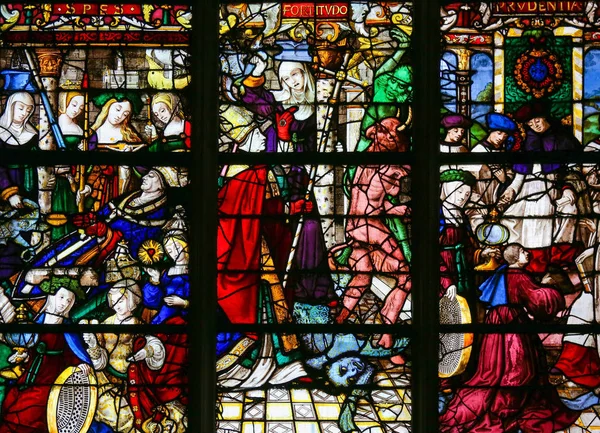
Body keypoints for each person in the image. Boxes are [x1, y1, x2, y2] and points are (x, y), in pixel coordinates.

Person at [439, 244, 579, 432]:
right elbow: (537, 301)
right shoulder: (518, 276)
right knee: (519, 369)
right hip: (512, 324)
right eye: (522, 252)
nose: (527, 253)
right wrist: (551, 289)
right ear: (514, 258)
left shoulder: (502, 272)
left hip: (495, 323)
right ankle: (511, 405)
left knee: (492, 369)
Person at [12, 169, 174, 299]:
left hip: (105, 255)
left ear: (161, 186)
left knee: (76, 272)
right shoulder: (130, 198)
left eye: (151, 176)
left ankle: (39, 294)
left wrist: (107, 233)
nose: (145, 177)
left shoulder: (157, 216)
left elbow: (139, 243)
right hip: (86, 238)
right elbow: (104, 213)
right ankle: (25, 288)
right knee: (54, 256)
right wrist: (90, 219)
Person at [0, 276, 101, 433]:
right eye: (61, 297)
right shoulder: (36, 323)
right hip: (30, 376)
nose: (64, 303)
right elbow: (28, 349)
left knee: (29, 411)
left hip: (52, 383)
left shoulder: (67, 332)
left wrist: (80, 364)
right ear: (51, 297)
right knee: (10, 401)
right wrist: (23, 356)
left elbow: (72, 353)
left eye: (69, 301)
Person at [497, 102, 581, 273]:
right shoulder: (528, 141)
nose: (534, 126)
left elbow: (574, 169)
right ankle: (524, 265)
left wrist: (568, 187)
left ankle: (545, 265)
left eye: (536, 120)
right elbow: (519, 177)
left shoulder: (564, 139)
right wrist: (508, 194)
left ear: (545, 117)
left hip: (553, 186)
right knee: (508, 217)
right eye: (530, 123)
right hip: (527, 188)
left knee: (542, 210)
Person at [81, 279, 172, 431]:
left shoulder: (139, 325)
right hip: (105, 382)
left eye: (121, 300)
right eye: (114, 300)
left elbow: (155, 345)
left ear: (132, 300)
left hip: (132, 383)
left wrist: (146, 351)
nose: (117, 304)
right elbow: (99, 363)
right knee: (121, 418)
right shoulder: (105, 324)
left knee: (131, 420)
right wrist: (93, 345)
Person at [79, 94, 145, 210]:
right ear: (108, 107)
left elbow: (144, 167)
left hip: (125, 185)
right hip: (100, 186)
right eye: (118, 109)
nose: (120, 116)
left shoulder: (130, 136)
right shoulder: (93, 136)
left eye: (125, 114)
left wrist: (131, 157)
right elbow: (88, 167)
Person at [143, 208, 190, 324]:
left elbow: (208, 302)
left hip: (188, 322)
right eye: (169, 250)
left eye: (177, 247)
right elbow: (152, 303)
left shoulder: (199, 271)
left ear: (186, 246)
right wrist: (155, 280)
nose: (174, 253)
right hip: (163, 320)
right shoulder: (165, 273)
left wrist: (184, 303)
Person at [52, 92, 86, 240]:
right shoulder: (50, 126)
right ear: (63, 101)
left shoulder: (80, 130)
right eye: (73, 104)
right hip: (53, 181)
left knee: (71, 214)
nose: (76, 110)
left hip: (70, 179)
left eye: (81, 107)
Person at [0, 92, 38, 210]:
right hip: (5, 186)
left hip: (31, 187)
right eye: (21, 108)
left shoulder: (33, 134)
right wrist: (9, 193)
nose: (24, 113)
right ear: (10, 107)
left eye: (28, 110)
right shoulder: (0, 131)